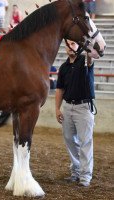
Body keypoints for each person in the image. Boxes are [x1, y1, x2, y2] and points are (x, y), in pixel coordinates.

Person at [55, 40, 96, 187]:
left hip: (84, 107)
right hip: (68, 107)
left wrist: (88, 46)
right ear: (65, 48)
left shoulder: (85, 60)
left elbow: (91, 56)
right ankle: (77, 170)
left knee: (85, 141)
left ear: (78, 46)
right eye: (68, 44)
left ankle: (85, 176)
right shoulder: (63, 67)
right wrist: (57, 108)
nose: (70, 47)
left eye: (73, 44)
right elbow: (60, 89)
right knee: (69, 140)